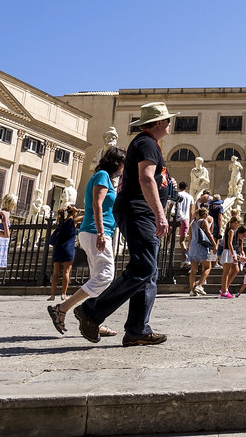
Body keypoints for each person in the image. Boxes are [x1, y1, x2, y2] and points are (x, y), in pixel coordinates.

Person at [74, 101, 174, 346]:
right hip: (140, 212)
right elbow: (146, 178)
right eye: (168, 120)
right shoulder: (147, 143)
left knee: (148, 271)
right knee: (143, 268)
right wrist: (160, 215)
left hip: (139, 211)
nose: (171, 124)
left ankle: (138, 329)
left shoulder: (146, 143)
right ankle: (92, 311)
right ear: (160, 122)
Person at [46, 146, 126, 337]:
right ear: (117, 163)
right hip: (96, 232)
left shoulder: (104, 178)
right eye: (124, 164)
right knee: (106, 275)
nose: (124, 168)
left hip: (95, 231)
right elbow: (97, 204)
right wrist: (100, 232)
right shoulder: (102, 176)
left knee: (99, 276)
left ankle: (93, 321)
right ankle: (63, 308)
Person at [47, 205, 79, 302]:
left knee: (56, 272)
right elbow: (89, 214)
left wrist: (63, 210)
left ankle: (52, 295)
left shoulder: (61, 221)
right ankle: (63, 294)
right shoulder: (74, 221)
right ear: (74, 212)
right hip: (68, 249)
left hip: (58, 248)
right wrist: (78, 210)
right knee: (66, 272)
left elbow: (59, 212)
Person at [187, 206, 215, 296]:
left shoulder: (192, 223)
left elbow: (190, 237)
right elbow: (208, 233)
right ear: (204, 214)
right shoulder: (203, 221)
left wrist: (189, 247)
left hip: (193, 247)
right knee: (208, 267)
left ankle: (192, 290)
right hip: (201, 246)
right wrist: (214, 244)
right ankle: (199, 285)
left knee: (193, 269)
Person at [220, 216, 242, 298]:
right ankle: (224, 291)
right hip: (229, 252)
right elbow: (229, 243)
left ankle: (224, 288)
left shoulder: (230, 231)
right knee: (226, 272)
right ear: (235, 223)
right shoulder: (231, 231)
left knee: (235, 269)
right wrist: (233, 255)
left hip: (228, 251)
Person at [174, 181, 194, 263]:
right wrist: (191, 221)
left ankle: (167, 250)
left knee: (169, 235)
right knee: (182, 240)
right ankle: (184, 258)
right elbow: (191, 210)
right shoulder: (190, 197)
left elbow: (171, 206)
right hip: (185, 219)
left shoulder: (176, 195)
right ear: (186, 188)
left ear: (179, 187)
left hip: (176, 218)